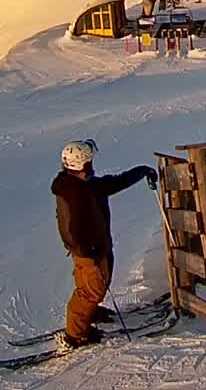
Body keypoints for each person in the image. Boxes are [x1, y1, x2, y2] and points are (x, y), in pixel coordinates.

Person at [52, 139, 158, 350]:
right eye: (90, 160)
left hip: (97, 246)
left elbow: (113, 183)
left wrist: (141, 171)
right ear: (81, 164)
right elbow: (69, 230)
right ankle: (75, 335)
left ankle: (89, 314)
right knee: (91, 290)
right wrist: (86, 251)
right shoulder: (74, 193)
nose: (93, 164)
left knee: (98, 284)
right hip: (88, 250)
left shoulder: (84, 185)